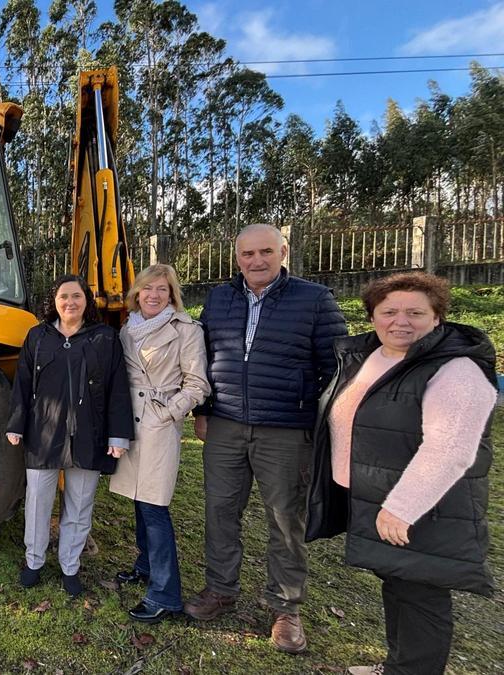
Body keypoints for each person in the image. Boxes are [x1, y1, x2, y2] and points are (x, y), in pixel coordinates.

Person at [306, 272, 495, 675]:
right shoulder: (374, 355)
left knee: (420, 595)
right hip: (377, 495)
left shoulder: (456, 370)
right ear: (373, 316)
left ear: (437, 317)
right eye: (388, 311)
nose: (400, 321)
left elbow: (450, 449)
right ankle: (398, 665)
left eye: (415, 312)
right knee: (398, 582)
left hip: (421, 507)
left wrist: (402, 507)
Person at [186, 223, 347, 654]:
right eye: (247, 254)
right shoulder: (219, 299)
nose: (256, 261)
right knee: (220, 510)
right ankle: (221, 589)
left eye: (265, 252)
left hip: (285, 428)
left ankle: (285, 607)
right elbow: (202, 359)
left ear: (283, 251)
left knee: (284, 519)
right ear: (235, 257)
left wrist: (319, 423)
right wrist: (203, 412)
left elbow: (337, 370)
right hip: (225, 425)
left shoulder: (314, 300)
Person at [6, 274, 134, 596]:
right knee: (37, 502)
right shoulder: (38, 337)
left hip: (88, 434)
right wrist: (16, 424)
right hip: (43, 435)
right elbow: (22, 384)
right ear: (55, 301)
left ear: (86, 301)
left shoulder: (105, 338)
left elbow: (119, 388)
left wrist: (118, 436)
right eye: (64, 297)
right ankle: (34, 561)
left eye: (76, 296)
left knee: (80, 505)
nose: (70, 303)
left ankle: (70, 566)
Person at [109, 264, 210, 623]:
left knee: (154, 505)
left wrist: (169, 413)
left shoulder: (185, 329)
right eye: (147, 288)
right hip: (129, 420)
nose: (153, 295)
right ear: (137, 292)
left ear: (172, 295)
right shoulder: (127, 328)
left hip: (157, 422)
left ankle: (166, 594)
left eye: (162, 290)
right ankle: (146, 563)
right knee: (139, 498)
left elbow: (197, 383)